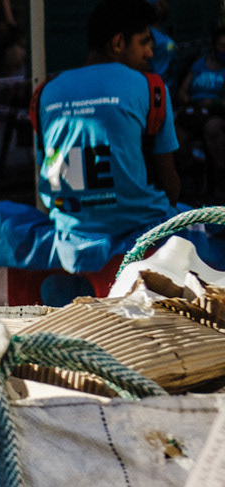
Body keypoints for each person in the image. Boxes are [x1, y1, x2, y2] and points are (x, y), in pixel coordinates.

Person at [35, 0, 179, 279]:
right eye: (144, 42)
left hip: (70, 234)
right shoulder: (151, 87)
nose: (151, 52)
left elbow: (48, 174)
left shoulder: (46, 92)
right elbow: (169, 179)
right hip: (140, 229)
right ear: (117, 43)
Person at [177, 25, 225, 193]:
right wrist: (186, 98)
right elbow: (182, 91)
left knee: (213, 129)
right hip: (194, 111)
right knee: (176, 134)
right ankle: (194, 172)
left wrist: (214, 104)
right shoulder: (199, 65)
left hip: (215, 113)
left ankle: (220, 179)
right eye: (222, 46)